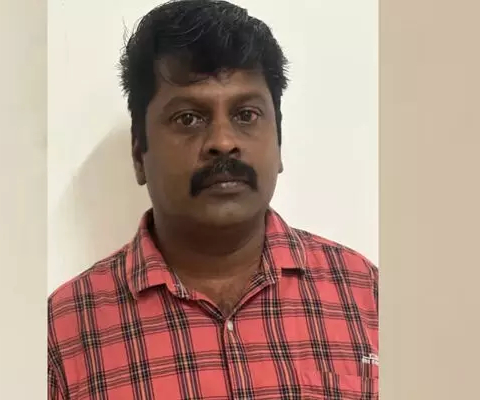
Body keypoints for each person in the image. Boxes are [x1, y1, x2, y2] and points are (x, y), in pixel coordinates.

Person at [47, 0, 378, 398]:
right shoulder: (60, 335)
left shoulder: (368, 296)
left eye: (246, 115)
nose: (223, 142)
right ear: (139, 155)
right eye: (188, 118)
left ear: (279, 142)